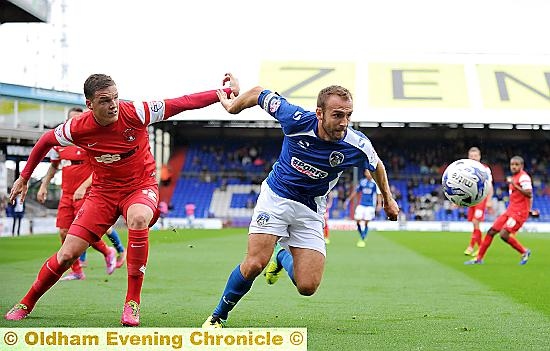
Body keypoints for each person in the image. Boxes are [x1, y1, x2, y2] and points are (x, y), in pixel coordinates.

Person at [5, 72, 240, 326]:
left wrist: (223, 94)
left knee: (138, 218)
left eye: (116, 97)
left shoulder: (137, 112)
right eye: (105, 100)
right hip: (102, 193)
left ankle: (132, 303)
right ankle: (27, 301)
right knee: (66, 255)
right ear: (90, 104)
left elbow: (181, 102)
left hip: (140, 187)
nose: (113, 104)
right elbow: (45, 140)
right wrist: (24, 177)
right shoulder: (78, 127)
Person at [202, 84, 399, 328]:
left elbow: (376, 165)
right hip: (276, 197)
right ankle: (218, 316)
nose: (344, 122)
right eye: (337, 115)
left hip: (311, 208)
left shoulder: (356, 144)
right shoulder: (294, 119)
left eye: (348, 115)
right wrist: (233, 107)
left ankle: (282, 256)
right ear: (319, 113)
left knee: (307, 286)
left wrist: (388, 199)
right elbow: (259, 93)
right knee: (254, 263)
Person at [37, 107, 121, 280]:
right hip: (66, 193)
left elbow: (100, 168)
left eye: (79, 119)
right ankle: (77, 271)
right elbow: (54, 166)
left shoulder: (91, 140)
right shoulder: (59, 143)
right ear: (67, 121)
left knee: (83, 233)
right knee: (63, 232)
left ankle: (108, 252)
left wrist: (83, 187)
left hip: (88, 193)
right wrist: (44, 185)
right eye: (72, 120)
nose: (75, 123)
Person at [465, 156, 533, 265]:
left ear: (522, 166)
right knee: (491, 231)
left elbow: (529, 193)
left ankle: (524, 251)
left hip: (518, 213)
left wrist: (515, 185)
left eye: (516, 165)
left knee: (504, 234)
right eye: (512, 164)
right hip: (510, 211)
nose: (514, 167)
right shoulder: (514, 177)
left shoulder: (523, 178)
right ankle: (479, 259)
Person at [463, 147, 494, 256]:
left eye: (475, 156)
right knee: (474, 223)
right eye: (471, 156)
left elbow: (489, 185)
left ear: (479, 157)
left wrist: (489, 200)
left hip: (481, 198)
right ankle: (476, 247)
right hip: (471, 199)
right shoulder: (464, 169)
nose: (473, 158)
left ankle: (475, 247)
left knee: (476, 221)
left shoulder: (485, 169)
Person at [345, 168, 382, 247]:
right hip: (362, 204)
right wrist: (348, 200)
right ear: (365, 173)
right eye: (366, 172)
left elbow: (378, 195)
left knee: (366, 222)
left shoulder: (375, 183)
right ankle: (362, 235)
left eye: (369, 172)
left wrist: (379, 204)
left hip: (370, 206)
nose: (368, 174)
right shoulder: (362, 182)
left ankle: (362, 238)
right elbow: (356, 192)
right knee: (357, 220)